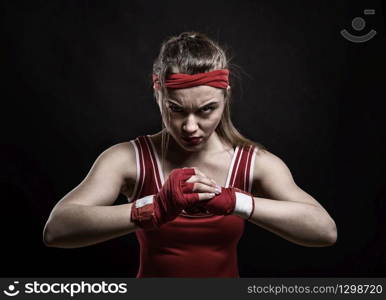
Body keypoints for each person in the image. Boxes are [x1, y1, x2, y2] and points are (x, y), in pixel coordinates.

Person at [43, 32, 337, 277]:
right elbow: (56, 230)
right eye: (176, 109)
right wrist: (152, 209)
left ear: (226, 97)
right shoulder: (127, 159)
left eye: (207, 109)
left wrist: (237, 201)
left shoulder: (252, 164)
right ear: (159, 96)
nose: (190, 127)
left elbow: (325, 231)